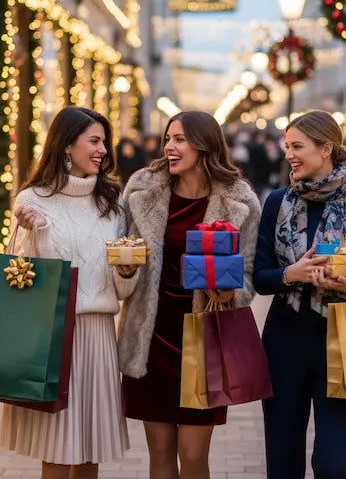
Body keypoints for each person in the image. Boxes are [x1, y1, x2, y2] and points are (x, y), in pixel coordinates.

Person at [0, 107, 140, 479]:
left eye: (103, 142)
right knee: (57, 450)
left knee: (89, 451)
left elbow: (121, 285)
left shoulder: (113, 201)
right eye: (94, 141)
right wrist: (32, 233)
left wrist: (126, 271)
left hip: (97, 335)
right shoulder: (33, 199)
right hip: (53, 332)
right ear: (66, 145)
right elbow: (19, 275)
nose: (103, 150)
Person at [118, 111, 261, 479]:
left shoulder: (239, 200)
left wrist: (230, 291)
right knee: (161, 451)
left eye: (179, 139)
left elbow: (247, 277)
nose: (169, 146)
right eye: (168, 138)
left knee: (193, 455)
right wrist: (124, 268)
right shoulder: (141, 189)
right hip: (152, 335)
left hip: (205, 337)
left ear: (204, 144)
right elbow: (123, 253)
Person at [252, 110, 346, 479]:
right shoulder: (276, 202)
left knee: (335, 464)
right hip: (284, 342)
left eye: (297, 146)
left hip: (343, 341)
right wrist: (291, 273)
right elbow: (260, 277)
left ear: (326, 148)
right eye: (287, 147)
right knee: (283, 462)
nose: (289, 155)